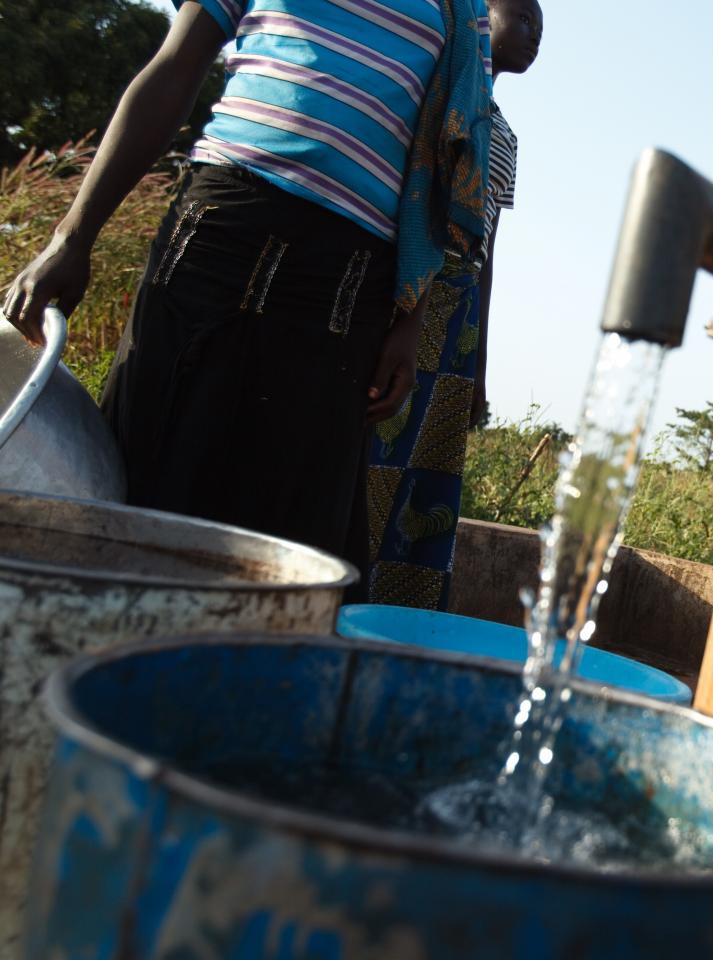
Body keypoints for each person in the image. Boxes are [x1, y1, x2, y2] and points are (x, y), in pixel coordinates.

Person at [1, 0, 495, 598]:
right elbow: (175, 66)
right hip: (215, 236)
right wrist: (72, 235)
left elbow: (445, 161)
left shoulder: (459, 10)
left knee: (293, 539)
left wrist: (410, 322)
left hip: (346, 284)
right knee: (142, 494)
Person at [366, 0, 541, 610]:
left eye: (539, 28)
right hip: (409, 292)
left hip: (459, 311)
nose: (534, 34)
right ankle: (342, 596)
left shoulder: (506, 137)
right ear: (476, 18)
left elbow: (488, 251)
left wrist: (480, 364)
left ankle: (402, 614)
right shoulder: (429, 92)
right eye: (522, 17)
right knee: (372, 454)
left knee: (430, 475)